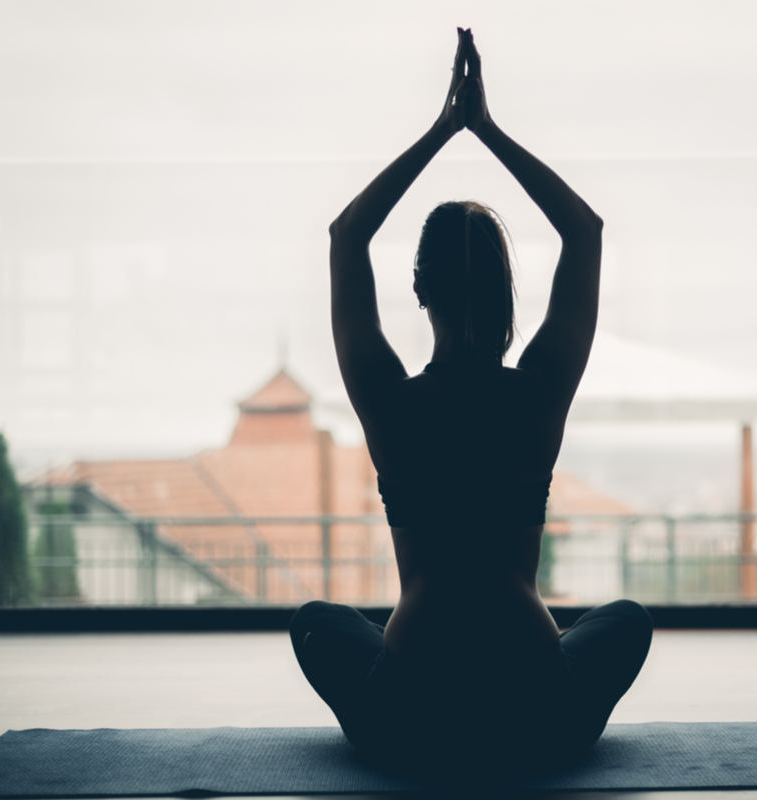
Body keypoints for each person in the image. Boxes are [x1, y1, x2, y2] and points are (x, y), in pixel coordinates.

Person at [290, 28, 652, 786]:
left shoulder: (390, 403)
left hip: (410, 715)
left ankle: (428, 748)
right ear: (504, 292)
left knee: (316, 623)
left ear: (418, 291)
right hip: (538, 712)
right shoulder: (539, 391)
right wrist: (488, 131)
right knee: (625, 621)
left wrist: (441, 131)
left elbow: (346, 234)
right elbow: (583, 232)